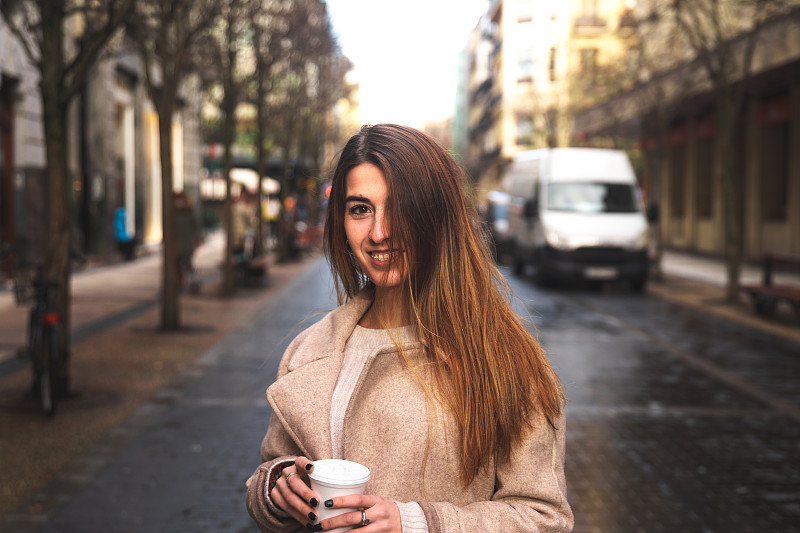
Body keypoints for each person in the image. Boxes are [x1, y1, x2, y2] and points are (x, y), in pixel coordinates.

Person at [245, 124, 573, 533]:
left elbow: (543, 516)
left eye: (401, 208)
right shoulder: (310, 350)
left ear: (439, 218)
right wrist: (276, 489)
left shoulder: (504, 358)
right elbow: (274, 466)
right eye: (360, 209)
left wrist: (416, 522)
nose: (380, 233)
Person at [174, 191, 202, 289]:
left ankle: (192, 282)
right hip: (175, 244)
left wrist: (197, 239)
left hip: (186, 244)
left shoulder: (188, 212)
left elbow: (195, 227)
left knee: (187, 264)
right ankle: (179, 282)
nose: (178, 202)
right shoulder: (172, 213)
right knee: (176, 265)